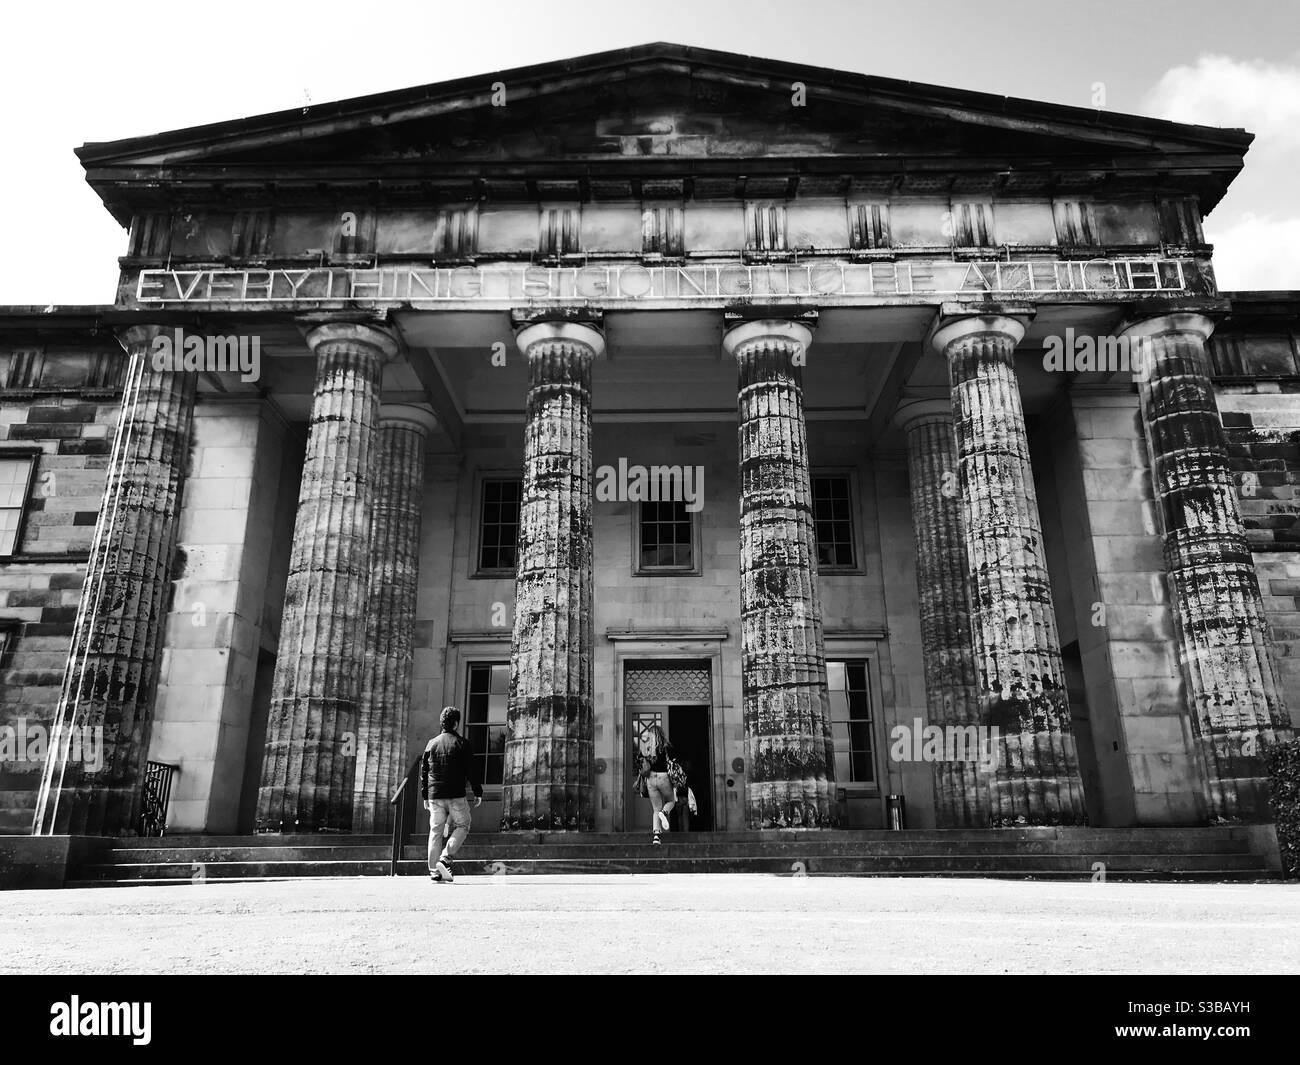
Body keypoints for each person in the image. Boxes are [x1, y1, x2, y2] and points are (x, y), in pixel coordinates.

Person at [420, 706, 483, 882]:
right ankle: (445, 857)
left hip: (435, 794)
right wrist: (477, 791)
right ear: (455, 724)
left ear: (442, 723)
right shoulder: (462, 743)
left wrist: (425, 795)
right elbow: (472, 770)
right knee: (464, 825)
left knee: (435, 831)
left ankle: (434, 871)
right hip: (455, 794)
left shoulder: (431, 743)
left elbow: (424, 772)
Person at [641, 724, 678, 846]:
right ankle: (665, 812)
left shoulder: (647, 748)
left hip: (650, 778)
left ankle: (656, 837)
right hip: (663, 777)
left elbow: (639, 762)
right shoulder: (666, 746)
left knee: (655, 809)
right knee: (671, 800)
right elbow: (674, 762)